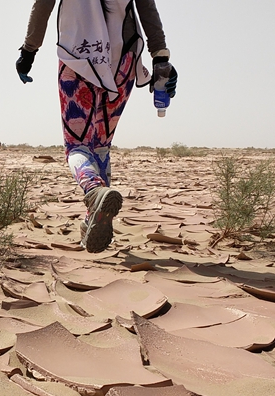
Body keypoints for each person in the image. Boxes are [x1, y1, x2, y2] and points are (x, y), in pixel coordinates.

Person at [16, 0, 177, 252]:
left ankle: (93, 190)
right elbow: (147, 8)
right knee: (101, 145)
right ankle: (93, 219)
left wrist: (28, 51)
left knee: (77, 146)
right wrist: (160, 57)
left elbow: (43, 5)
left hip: (77, 56)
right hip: (124, 60)